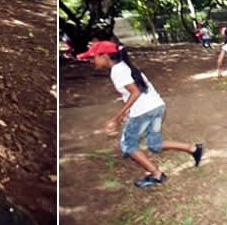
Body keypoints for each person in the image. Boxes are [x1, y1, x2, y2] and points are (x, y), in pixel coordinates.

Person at [77, 40, 203, 189]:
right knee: (154, 144)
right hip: (156, 107)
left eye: (93, 57)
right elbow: (137, 92)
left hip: (145, 112)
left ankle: (157, 175)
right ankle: (194, 149)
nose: (92, 61)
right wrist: (128, 113)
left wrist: (116, 119)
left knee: (128, 145)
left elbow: (135, 92)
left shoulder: (118, 70)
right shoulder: (125, 66)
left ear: (104, 56)